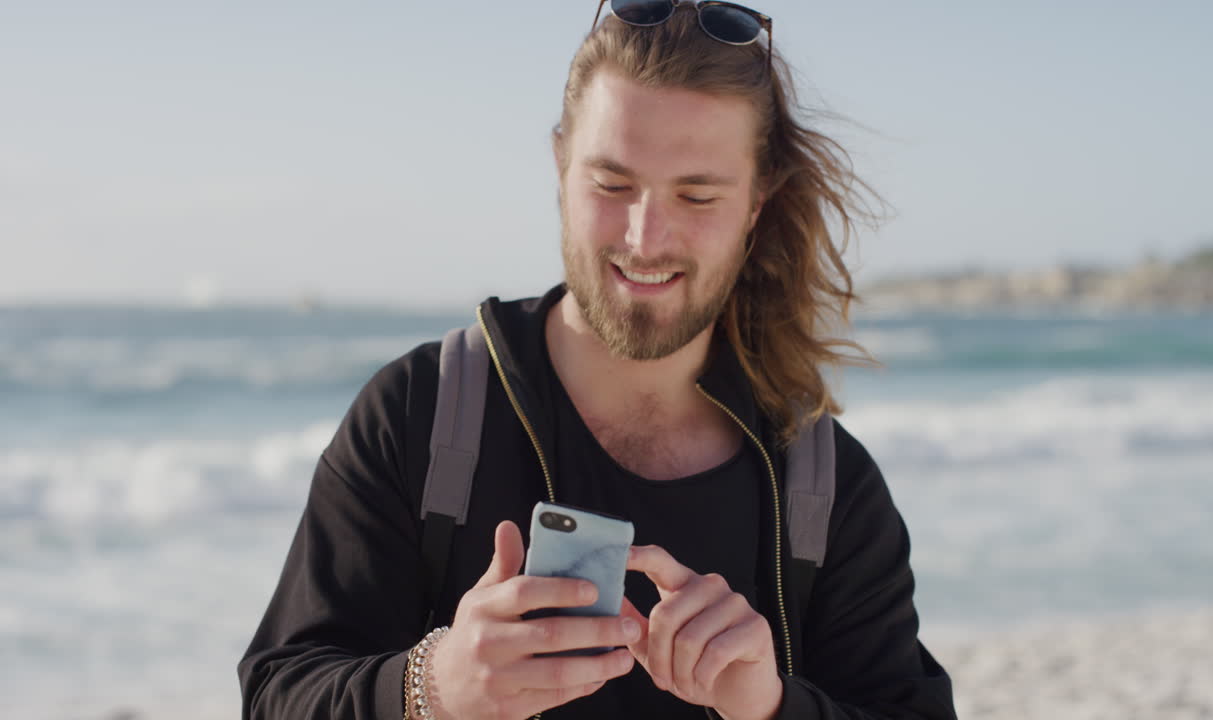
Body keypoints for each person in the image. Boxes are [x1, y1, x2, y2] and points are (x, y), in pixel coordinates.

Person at [239, 2, 957, 719]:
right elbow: (277, 696)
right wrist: (433, 688)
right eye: (612, 185)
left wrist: (772, 708)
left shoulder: (824, 489)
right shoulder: (420, 417)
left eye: (697, 194)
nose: (646, 239)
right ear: (559, 165)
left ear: (757, 203)